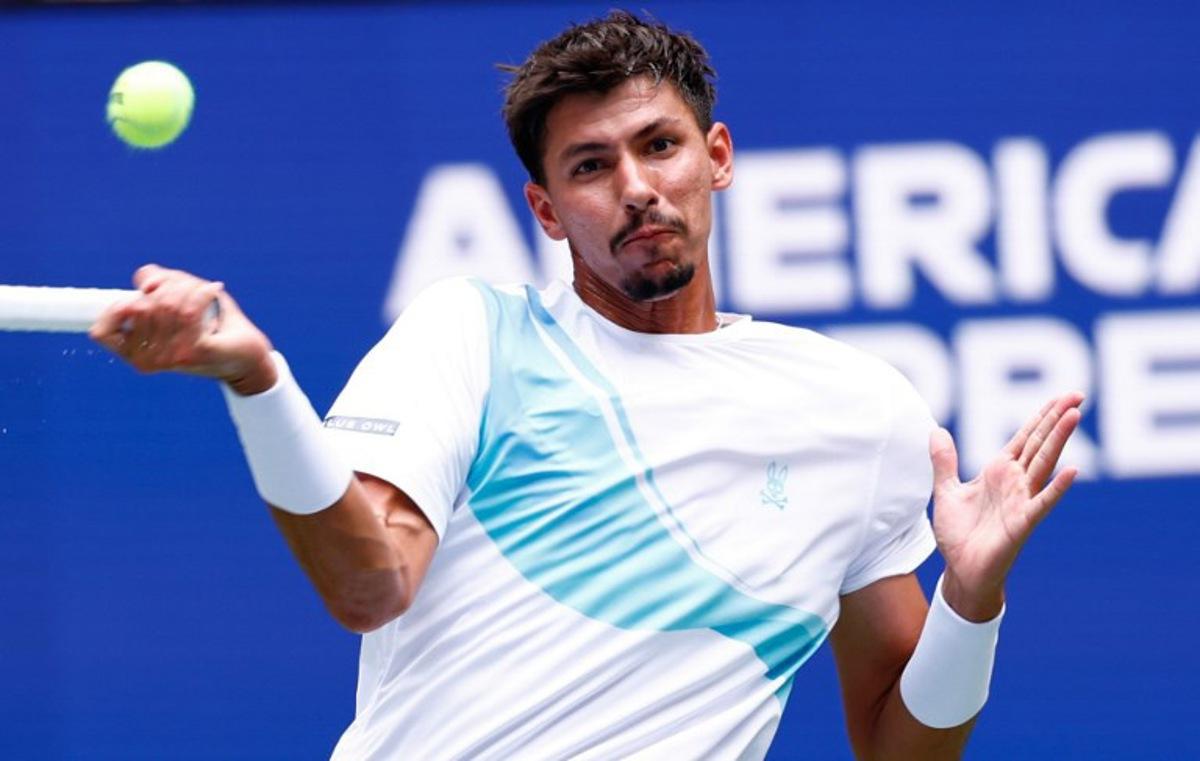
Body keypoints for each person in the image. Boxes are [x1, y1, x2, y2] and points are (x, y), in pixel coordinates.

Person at [90, 11, 1082, 760]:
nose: (637, 185)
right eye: (591, 165)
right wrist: (261, 382)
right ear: (548, 209)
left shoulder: (859, 410)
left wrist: (970, 596)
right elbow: (368, 582)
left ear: (717, 157)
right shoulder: (473, 336)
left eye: (660, 145)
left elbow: (898, 740)